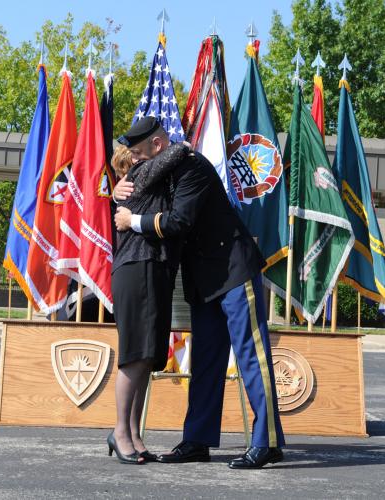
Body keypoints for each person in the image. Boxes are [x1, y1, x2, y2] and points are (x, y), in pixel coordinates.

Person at [114, 116, 285, 469]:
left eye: (138, 154)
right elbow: (131, 193)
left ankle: (266, 442)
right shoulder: (159, 174)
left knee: (252, 357)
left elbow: (179, 222)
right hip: (202, 281)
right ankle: (198, 439)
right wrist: (117, 189)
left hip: (232, 269)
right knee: (206, 361)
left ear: (158, 147)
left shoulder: (190, 167)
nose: (135, 162)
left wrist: (134, 221)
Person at [108, 136, 189, 465]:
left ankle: (134, 433)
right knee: (134, 357)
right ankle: (120, 432)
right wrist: (159, 147)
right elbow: (180, 150)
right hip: (136, 270)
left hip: (153, 271)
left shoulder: (145, 183)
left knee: (147, 359)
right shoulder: (139, 176)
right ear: (137, 158)